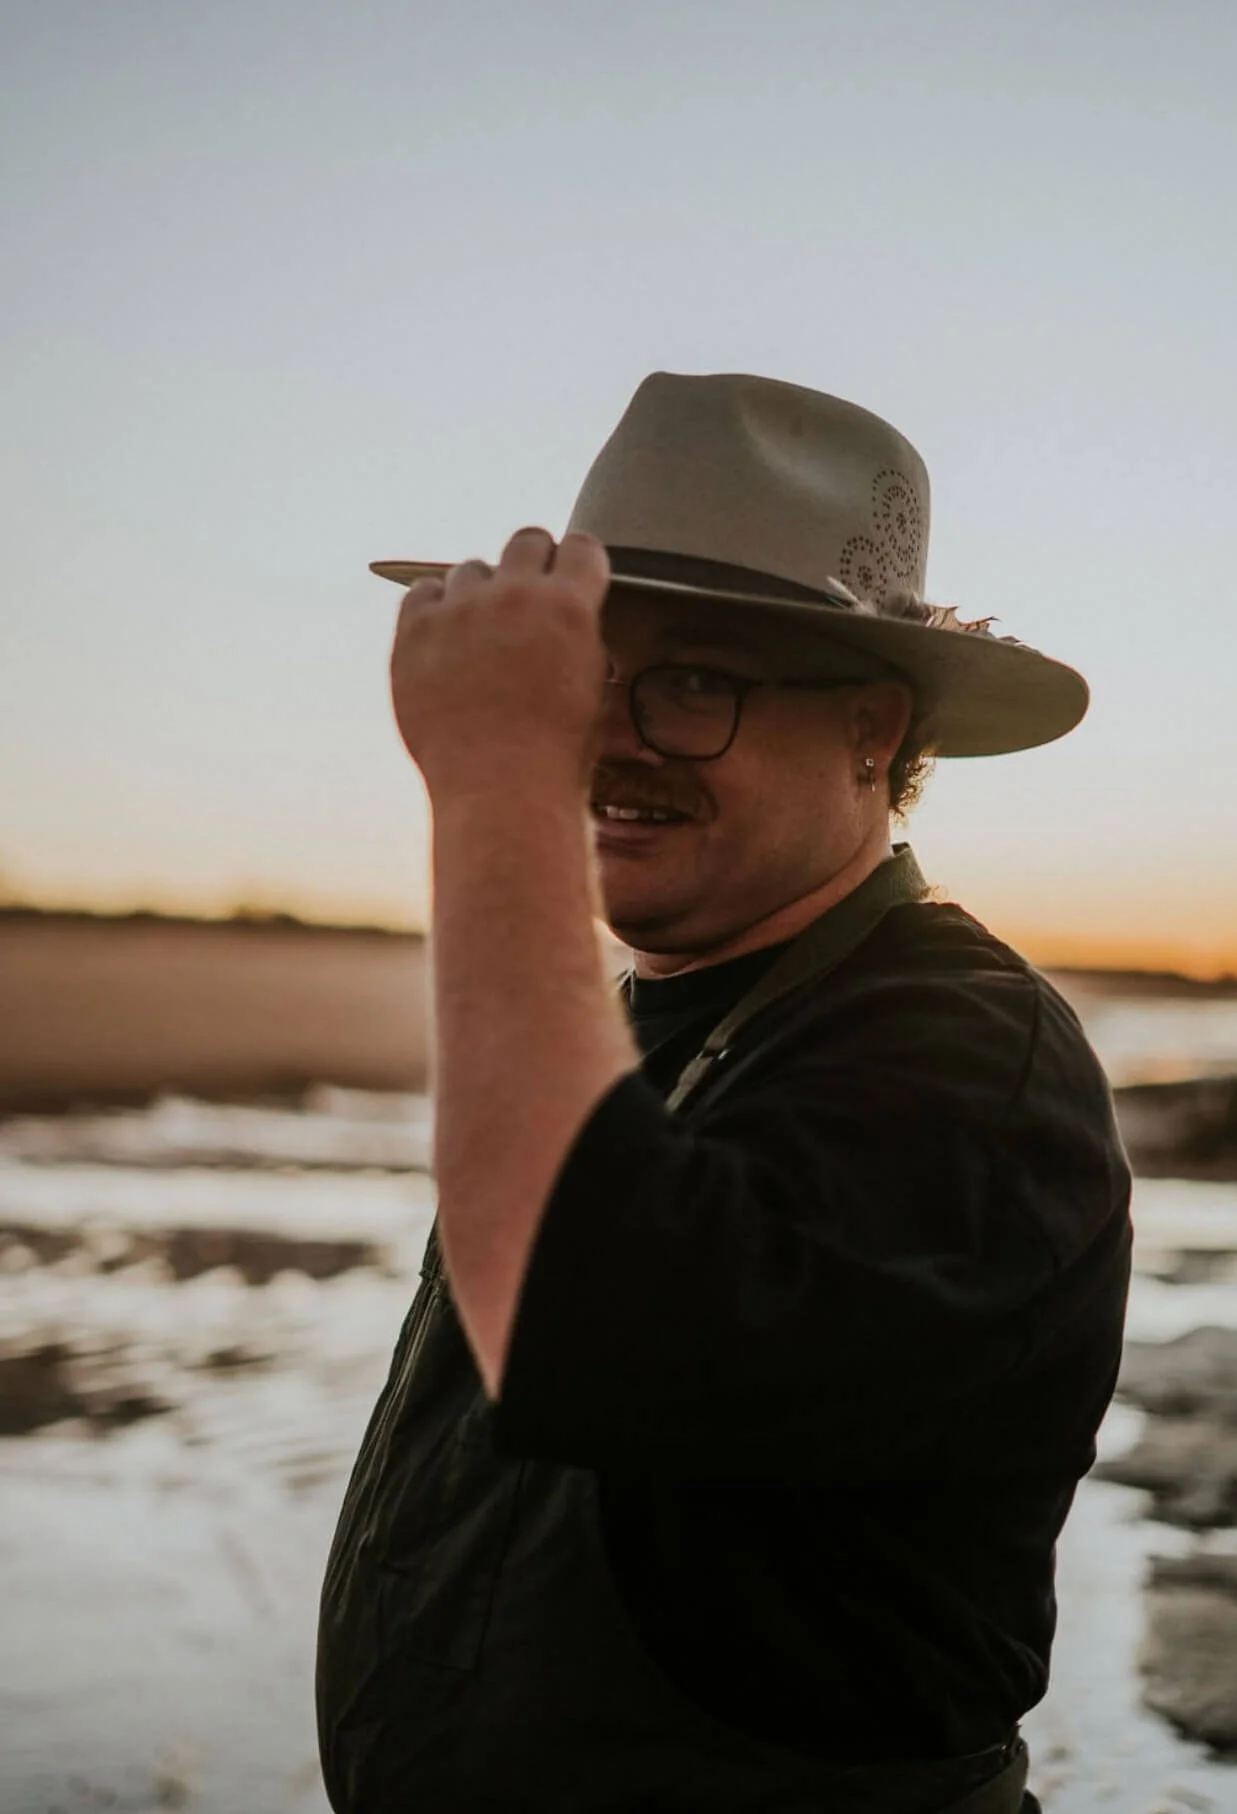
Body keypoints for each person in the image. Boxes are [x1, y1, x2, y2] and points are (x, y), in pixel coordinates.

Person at [316, 373, 1132, 1813]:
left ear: (876, 731)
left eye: (692, 680)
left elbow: (585, 1320)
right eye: (585, 678)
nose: (608, 736)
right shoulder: (627, 1025)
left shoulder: (971, 1059)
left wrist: (497, 775)